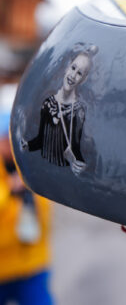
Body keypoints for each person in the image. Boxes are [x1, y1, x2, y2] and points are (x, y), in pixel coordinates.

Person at [21, 45, 98, 175]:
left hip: (61, 175)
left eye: (80, 73)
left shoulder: (78, 111)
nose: (73, 75)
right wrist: (27, 145)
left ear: (84, 79)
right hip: (42, 172)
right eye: (73, 68)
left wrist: (80, 165)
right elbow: (40, 140)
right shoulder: (48, 103)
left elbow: (76, 148)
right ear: (67, 67)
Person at [0, 113, 53, 305]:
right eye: (5, 137)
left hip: (32, 263)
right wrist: (10, 190)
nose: (10, 142)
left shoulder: (30, 164)